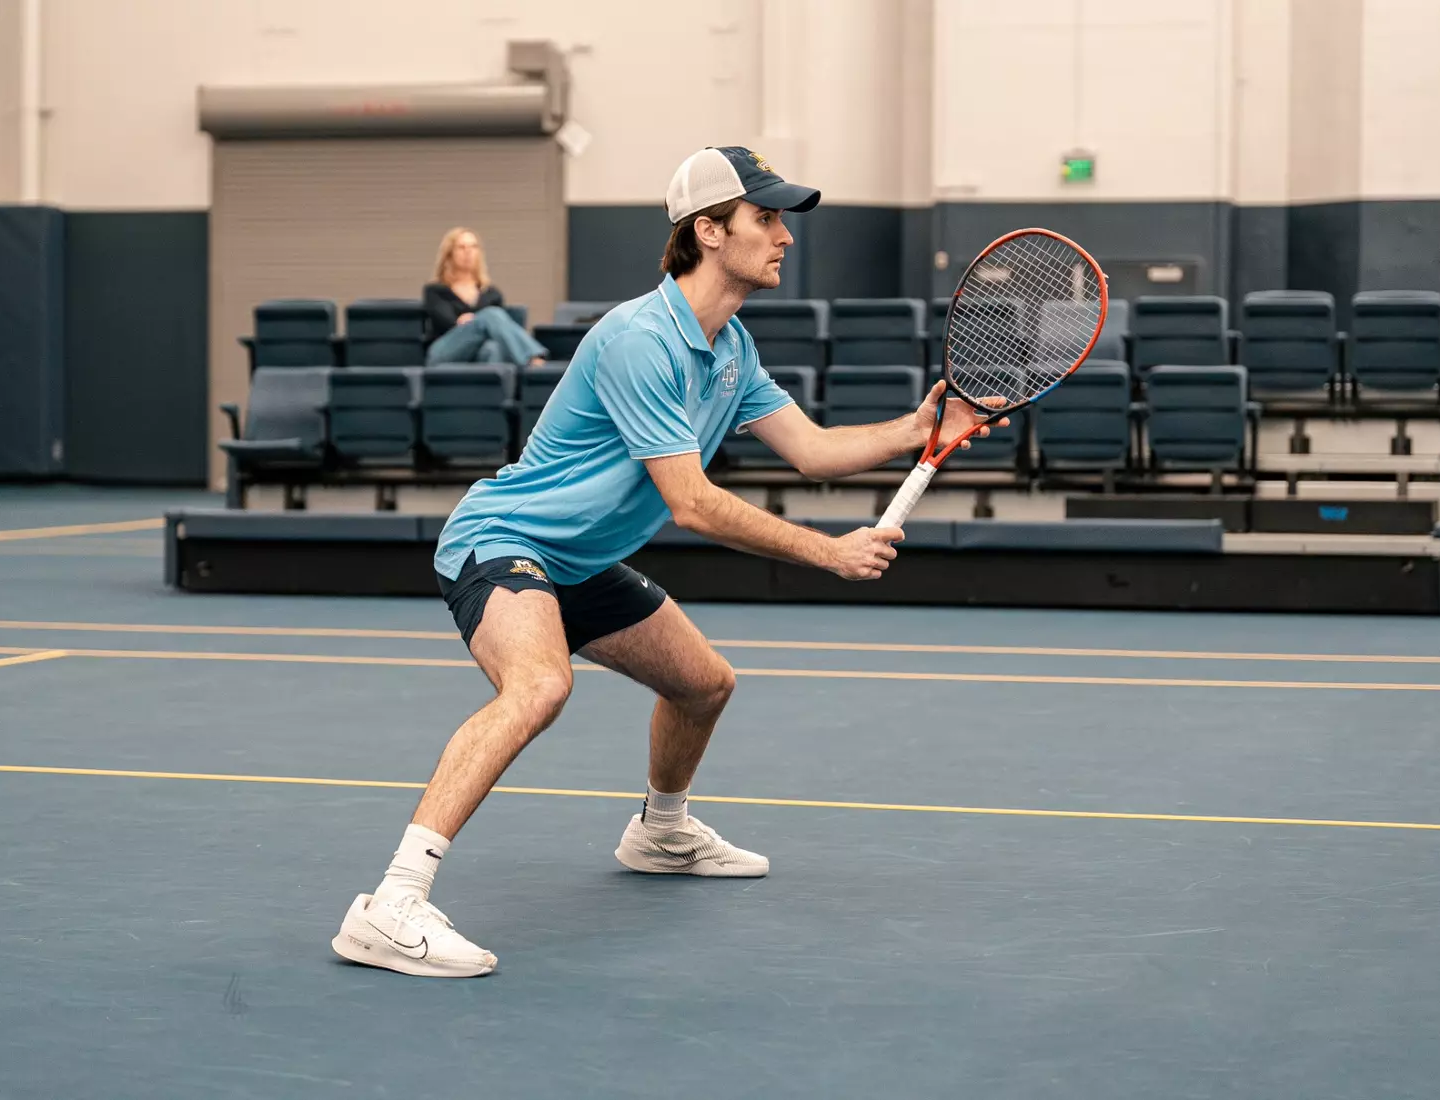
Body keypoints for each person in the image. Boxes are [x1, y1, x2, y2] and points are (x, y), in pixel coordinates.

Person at [332, 146, 1000, 978]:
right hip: (506, 542)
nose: (784, 237)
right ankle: (391, 904)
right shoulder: (641, 338)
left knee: (704, 683)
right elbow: (691, 501)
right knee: (539, 686)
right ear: (709, 231)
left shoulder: (731, 348)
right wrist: (826, 552)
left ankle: (661, 831)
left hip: (580, 560)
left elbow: (816, 451)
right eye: (766, 218)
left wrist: (917, 429)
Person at [422, 227, 548, 368]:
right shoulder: (435, 290)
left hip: (481, 349)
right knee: (491, 314)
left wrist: (474, 321)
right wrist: (479, 322)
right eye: (461, 247)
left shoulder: (491, 293)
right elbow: (446, 322)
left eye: (473, 247)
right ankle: (532, 358)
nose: (468, 252)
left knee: (492, 348)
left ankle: (494, 388)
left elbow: (500, 331)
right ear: (449, 254)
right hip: (445, 350)